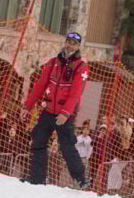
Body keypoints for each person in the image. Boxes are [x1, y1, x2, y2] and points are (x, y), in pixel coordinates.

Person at [21, 32, 90, 187]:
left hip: (64, 114)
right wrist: (28, 106)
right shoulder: (53, 63)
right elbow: (40, 86)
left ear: (78, 46)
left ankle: (81, 178)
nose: (70, 45)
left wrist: (66, 113)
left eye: (74, 43)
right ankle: (38, 178)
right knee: (38, 141)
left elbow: (76, 92)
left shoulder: (81, 67)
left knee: (66, 146)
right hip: (47, 110)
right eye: (68, 41)